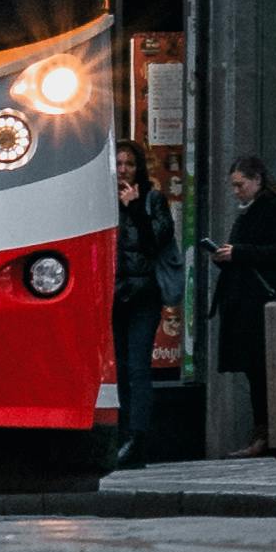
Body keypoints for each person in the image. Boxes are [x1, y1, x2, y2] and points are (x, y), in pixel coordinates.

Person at [210, 153, 276, 452]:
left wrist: (239, 253)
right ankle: (262, 431)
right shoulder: (247, 211)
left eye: (240, 184)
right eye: (233, 186)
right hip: (243, 300)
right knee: (253, 369)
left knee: (261, 369)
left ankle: (267, 432)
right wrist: (225, 256)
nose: (237, 191)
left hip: (260, 300)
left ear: (257, 180)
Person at [106, 144, 182, 471]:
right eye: (119, 164)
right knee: (119, 368)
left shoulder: (152, 199)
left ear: (139, 168)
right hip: (115, 293)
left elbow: (157, 241)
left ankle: (138, 439)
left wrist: (135, 208)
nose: (123, 170)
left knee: (138, 368)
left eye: (129, 164)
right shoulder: (103, 200)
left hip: (143, 293)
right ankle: (121, 436)